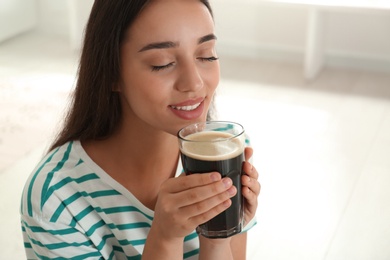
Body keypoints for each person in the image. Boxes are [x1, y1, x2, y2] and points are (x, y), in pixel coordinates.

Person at [20, 0, 261, 259]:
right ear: (111, 72)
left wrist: (218, 231)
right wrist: (165, 238)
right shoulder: (56, 198)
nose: (194, 83)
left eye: (206, 55)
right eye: (162, 63)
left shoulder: (226, 148)